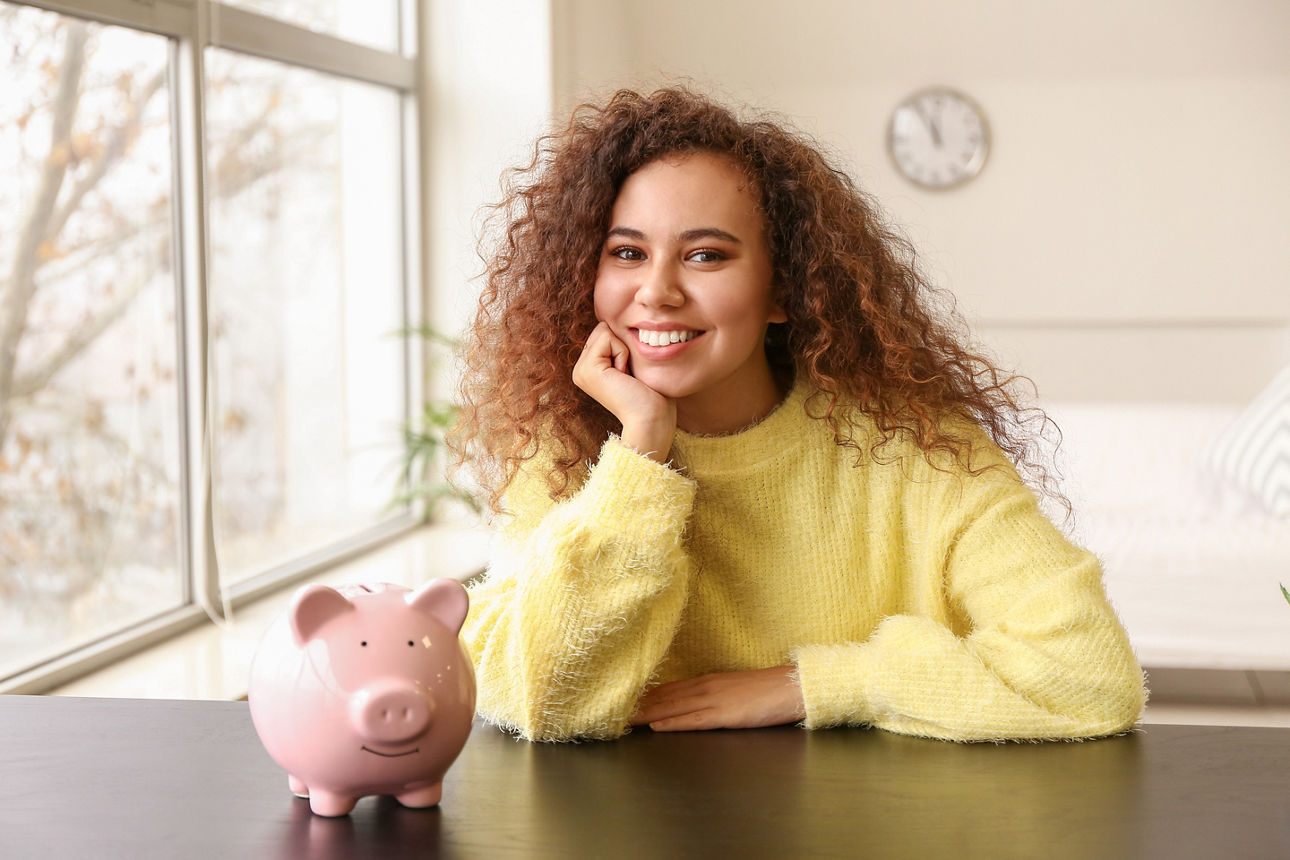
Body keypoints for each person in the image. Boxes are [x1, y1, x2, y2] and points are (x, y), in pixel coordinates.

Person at [453, 87, 1146, 743]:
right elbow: (540, 697)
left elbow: (1089, 673)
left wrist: (816, 685)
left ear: (782, 288)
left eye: (705, 255)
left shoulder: (914, 449)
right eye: (627, 253)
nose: (657, 291)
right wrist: (639, 459)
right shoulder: (565, 449)